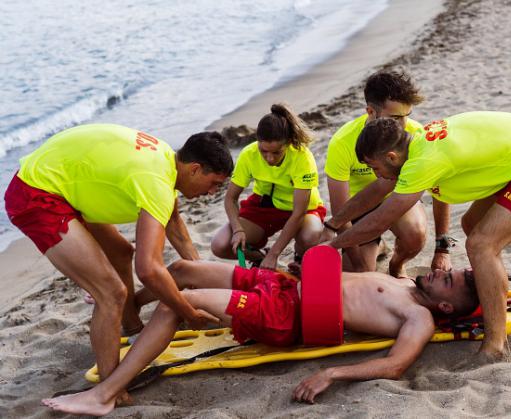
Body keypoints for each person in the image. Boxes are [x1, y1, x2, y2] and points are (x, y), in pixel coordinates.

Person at [41, 258, 479, 415]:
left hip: (286, 316)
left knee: (179, 301)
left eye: (450, 280)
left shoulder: (418, 317)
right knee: (178, 271)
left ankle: (105, 394)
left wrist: (332, 373)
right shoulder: (405, 283)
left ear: (444, 307)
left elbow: (396, 364)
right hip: (285, 286)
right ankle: (127, 310)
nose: (443, 271)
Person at [321, 112, 511, 361]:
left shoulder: (423, 162)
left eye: (375, 168)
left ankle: (495, 345)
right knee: (473, 226)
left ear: (390, 157)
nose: (376, 175)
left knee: (482, 245)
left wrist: (332, 246)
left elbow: (379, 220)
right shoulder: (415, 147)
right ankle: (491, 292)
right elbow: (378, 190)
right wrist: (334, 223)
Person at [4, 124, 233, 384]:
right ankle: (111, 384)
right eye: (213, 184)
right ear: (194, 169)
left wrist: (203, 276)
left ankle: (133, 327)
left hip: (65, 183)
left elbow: (176, 228)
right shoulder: (157, 183)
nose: (213, 192)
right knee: (111, 293)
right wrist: (190, 313)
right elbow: (148, 270)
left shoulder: (167, 161)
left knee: (122, 252)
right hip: (35, 194)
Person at [323, 70, 452, 277]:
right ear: (371, 112)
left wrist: (442, 249)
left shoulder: (415, 134)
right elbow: (340, 210)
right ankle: (376, 245)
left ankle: (397, 264)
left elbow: (441, 191)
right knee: (361, 273)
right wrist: (358, 266)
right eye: (395, 117)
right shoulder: (342, 142)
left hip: (398, 199)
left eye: (406, 117)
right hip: (357, 209)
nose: (402, 125)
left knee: (415, 234)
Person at [211, 103, 326, 270]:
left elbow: (299, 212)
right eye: (263, 151)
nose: (269, 158)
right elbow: (230, 198)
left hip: (301, 210)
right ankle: (259, 257)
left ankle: (300, 258)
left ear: (288, 143)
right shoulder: (248, 154)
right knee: (220, 244)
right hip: (265, 206)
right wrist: (237, 230)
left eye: (276, 152)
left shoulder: (302, 156)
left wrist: (275, 253)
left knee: (311, 236)